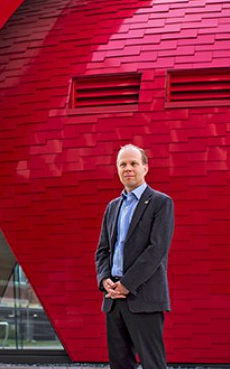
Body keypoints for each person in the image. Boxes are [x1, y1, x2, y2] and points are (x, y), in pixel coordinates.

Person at [95, 144, 174, 369]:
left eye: (133, 163)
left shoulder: (161, 203)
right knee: (120, 364)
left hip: (144, 298)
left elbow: (156, 250)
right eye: (123, 164)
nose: (128, 168)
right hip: (113, 299)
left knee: (153, 364)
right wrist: (104, 279)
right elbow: (102, 250)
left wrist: (127, 284)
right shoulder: (112, 207)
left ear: (145, 168)